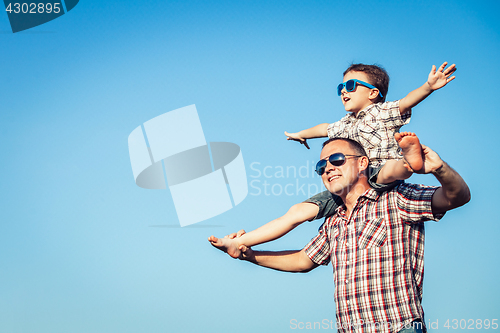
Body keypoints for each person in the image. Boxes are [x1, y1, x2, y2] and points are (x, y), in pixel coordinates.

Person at [213, 136, 470, 333]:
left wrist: (440, 169)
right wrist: (249, 255)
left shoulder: (396, 198)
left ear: (362, 163)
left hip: (397, 327)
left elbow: (456, 197)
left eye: (336, 160)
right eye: (320, 165)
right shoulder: (334, 220)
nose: (327, 168)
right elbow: (303, 260)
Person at [208, 62, 457, 258]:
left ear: (373, 93)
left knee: (389, 171)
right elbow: (324, 128)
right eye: (341, 88)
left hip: (378, 171)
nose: (343, 92)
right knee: (296, 212)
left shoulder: (382, 112)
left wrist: (428, 86)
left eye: (351, 86)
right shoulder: (343, 124)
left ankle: (409, 162)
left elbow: (406, 102)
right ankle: (239, 241)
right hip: (348, 186)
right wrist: (300, 134)